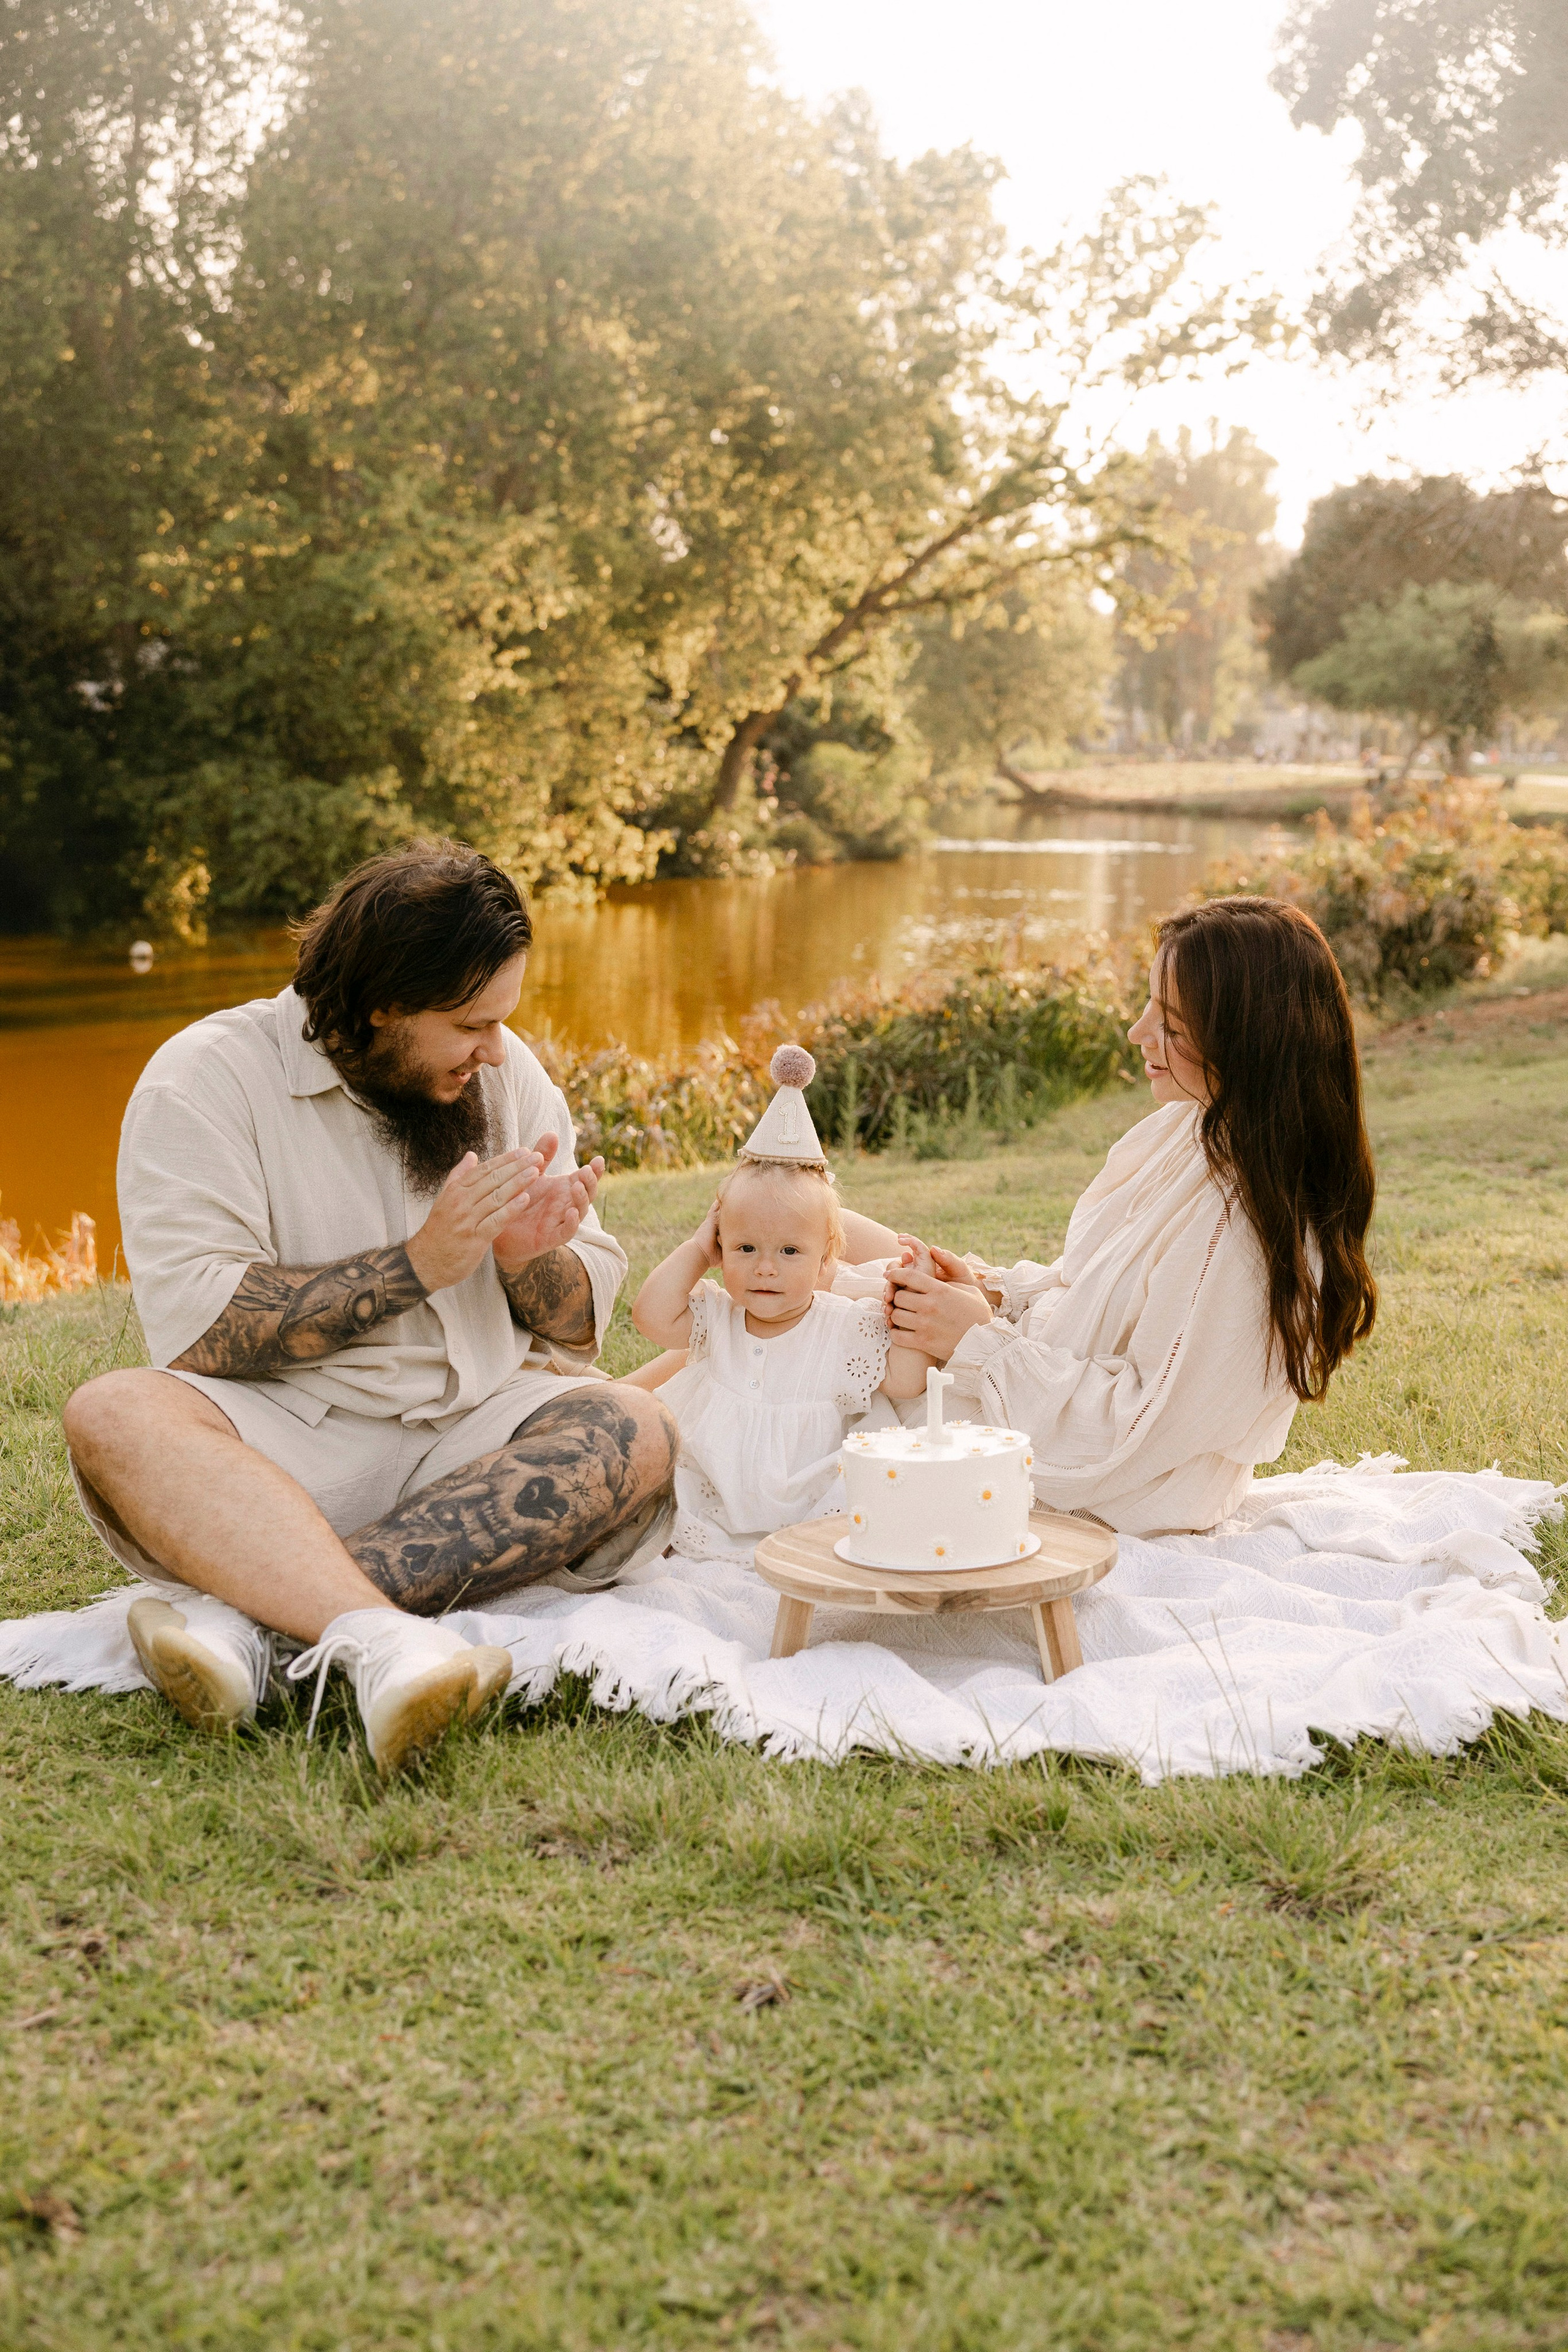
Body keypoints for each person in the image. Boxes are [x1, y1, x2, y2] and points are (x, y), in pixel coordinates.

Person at [62, 842, 677, 1774]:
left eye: (502, 1020)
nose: (498, 1050)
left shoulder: (501, 1078)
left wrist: (523, 1260)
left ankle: (251, 1621)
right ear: (380, 1005)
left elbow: (574, 1326)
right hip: (286, 1438)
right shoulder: (205, 1080)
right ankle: (380, 1639)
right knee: (113, 1412)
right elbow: (201, 1327)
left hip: (474, 1427)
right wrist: (418, 1266)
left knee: (635, 1425)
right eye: (472, 1024)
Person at [885, 896, 1378, 1536]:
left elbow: (1136, 1431)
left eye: (1171, 1024)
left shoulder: (1243, 1236)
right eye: (1149, 1005)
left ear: (1247, 1040)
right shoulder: (1194, 1130)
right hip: (1037, 1405)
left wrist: (978, 1344)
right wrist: (990, 1295)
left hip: (1114, 1492)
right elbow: (1090, 1292)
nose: (1138, 1033)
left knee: (807, 1369)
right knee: (837, 1277)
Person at [630, 1048, 932, 1559]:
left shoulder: (847, 1326)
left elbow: (905, 1382)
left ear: (826, 1264)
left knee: (847, 1524)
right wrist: (696, 1250)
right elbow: (651, 1317)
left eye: (790, 1252)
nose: (765, 1267)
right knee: (651, 1505)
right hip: (715, 1486)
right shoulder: (720, 1317)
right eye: (744, 1248)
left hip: (810, 1497)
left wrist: (910, 1301)